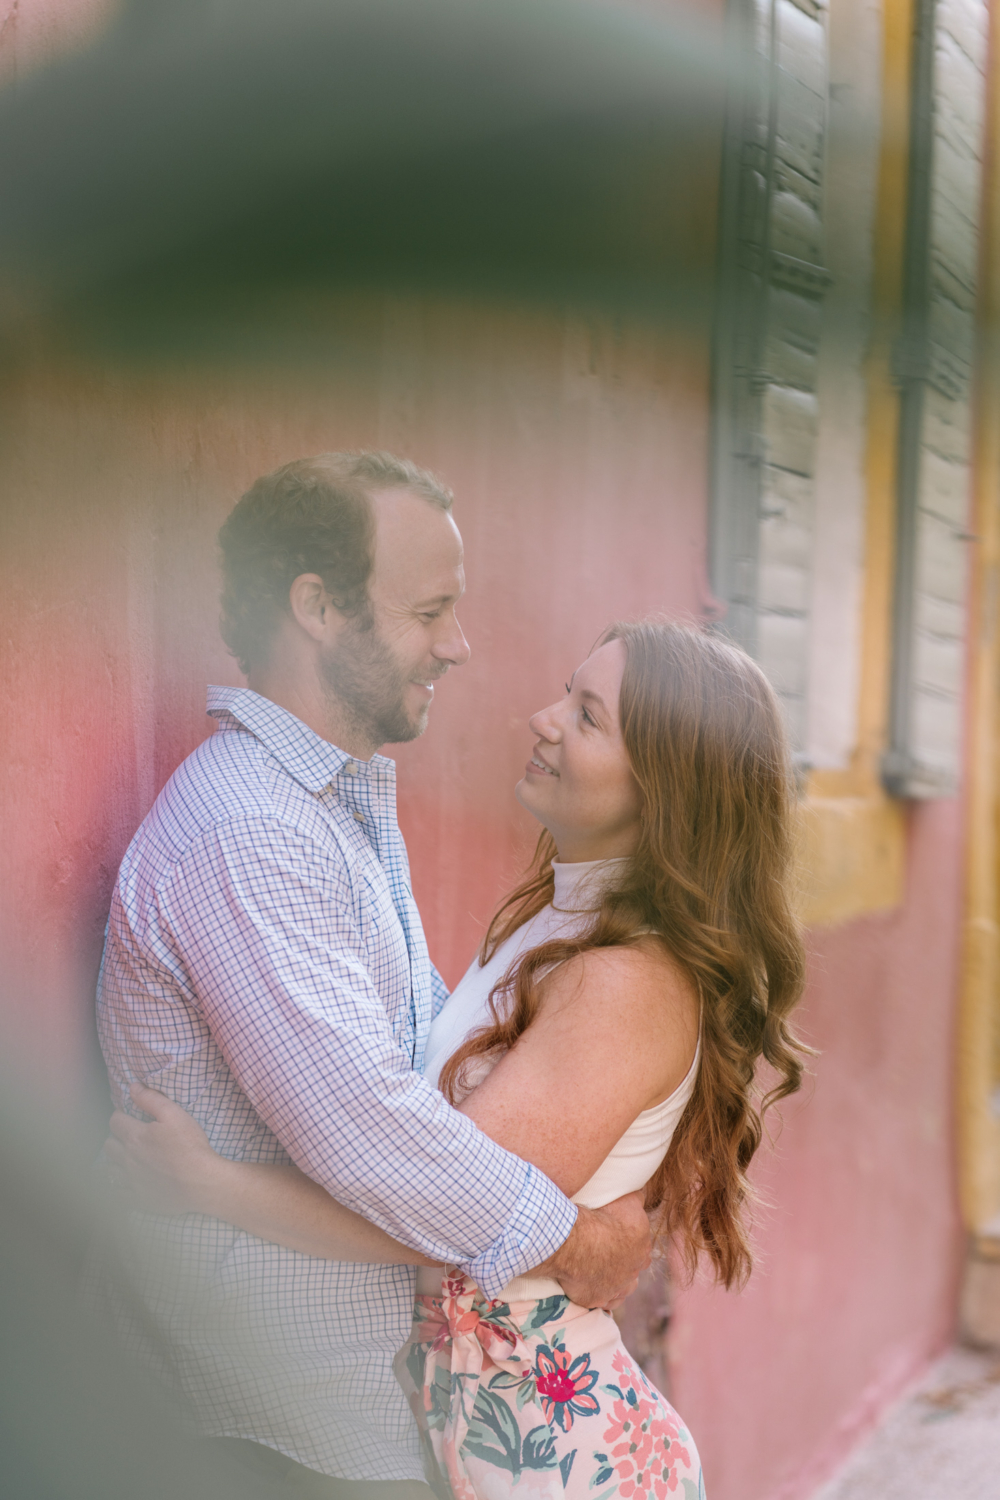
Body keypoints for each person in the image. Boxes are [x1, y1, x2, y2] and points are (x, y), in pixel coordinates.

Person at [108, 616, 809, 1500]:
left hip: (558, 1455)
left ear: (664, 790)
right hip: (488, 1431)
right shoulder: (556, 925)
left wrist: (212, 1187)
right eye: (567, 690)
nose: (542, 719)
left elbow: (435, 1207)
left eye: (588, 716)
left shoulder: (621, 983)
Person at [95, 450, 652, 1500]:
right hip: (281, 1409)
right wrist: (572, 1240)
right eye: (430, 609)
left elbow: (424, 1076)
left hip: (347, 1393)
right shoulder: (251, 833)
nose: (459, 644)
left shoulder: (327, 809)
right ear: (317, 606)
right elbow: (369, 1127)